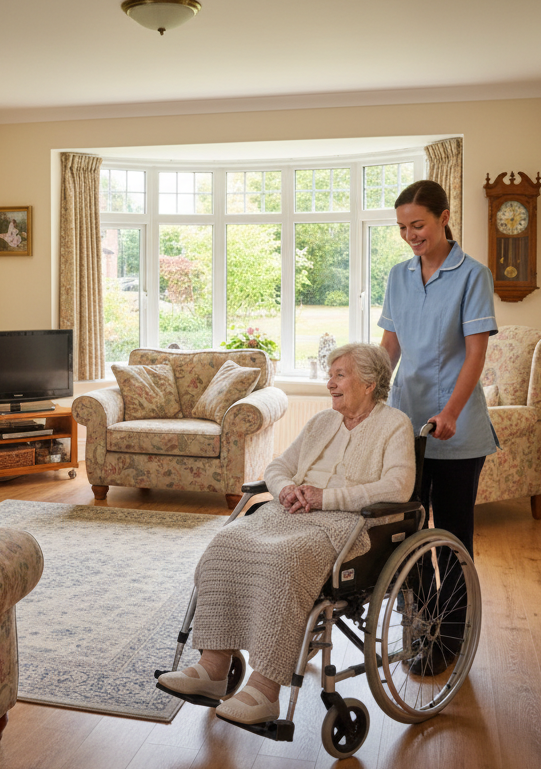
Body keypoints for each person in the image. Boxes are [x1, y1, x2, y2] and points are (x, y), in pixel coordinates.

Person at [157, 344, 414, 725]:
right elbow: (279, 466)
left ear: (369, 383)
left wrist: (328, 498)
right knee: (225, 544)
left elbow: (398, 486)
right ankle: (212, 667)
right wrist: (285, 490)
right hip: (289, 512)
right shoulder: (321, 423)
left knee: (285, 559)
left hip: (347, 524)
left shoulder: (394, 424)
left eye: (339, 375)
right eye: (330, 375)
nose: (330, 383)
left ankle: (265, 688)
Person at [377, 179, 498, 676]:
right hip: (406, 425)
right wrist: (367, 394)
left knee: (450, 537)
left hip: (456, 428)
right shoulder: (398, 275)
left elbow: (476, 354)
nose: (410, 235)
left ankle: (450, 637)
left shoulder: (473, 275)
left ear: (444, 217)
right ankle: (419, 625)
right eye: (403, 227)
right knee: (403, 534)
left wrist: (449, 412)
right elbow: (390, 347)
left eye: (418, 225)